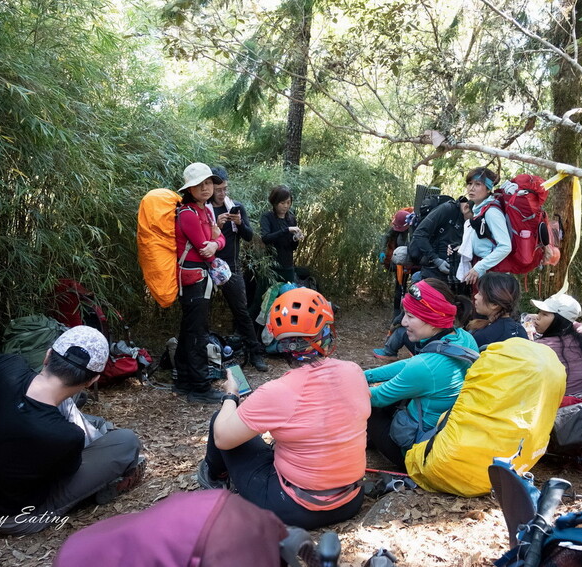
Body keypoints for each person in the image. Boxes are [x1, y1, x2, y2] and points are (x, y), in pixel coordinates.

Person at [0, 326, 143, 535]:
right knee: (126, 441)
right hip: (13, 519)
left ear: (47, 356)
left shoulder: (5, 367)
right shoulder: (66, 435)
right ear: (92, 380)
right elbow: (61, 478)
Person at [196, 288, 370, 529]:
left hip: (294, 508)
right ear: (327, 333)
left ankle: (215, 477)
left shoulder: (279, 390)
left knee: (220, 420)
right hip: (351, 500)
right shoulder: (354, 371)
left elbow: (223, 438)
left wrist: (231, 395)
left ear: (281, 343)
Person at [364, 279, 478, 470]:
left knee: (371, 408)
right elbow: (408, 364)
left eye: (410, 316)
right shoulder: (464, 338)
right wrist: (367, 375)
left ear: (434, 321)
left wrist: (347, 383)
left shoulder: (425, 366)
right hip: (445, 439)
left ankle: (372, 441)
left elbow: (376, 398)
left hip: (418, 455)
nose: (403, 322)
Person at [174, 162, 227, 403]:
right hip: (193, 277)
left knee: (190, 329)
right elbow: (205, 249)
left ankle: (184, 380)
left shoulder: (205, 210)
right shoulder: (187, 214)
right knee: (197, 332)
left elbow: (218, 241)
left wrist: (216, 242)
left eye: (208, 183)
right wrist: (214, 241)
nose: (205, 188)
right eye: (199, 184)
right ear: (189, 189)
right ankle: (200, 388)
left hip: (200, 276)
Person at [209, 166, 268, 372]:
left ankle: (255, 353)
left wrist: (240, 223)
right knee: (203, 313)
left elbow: (249, 236)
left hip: (231, 268)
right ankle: (207, 354)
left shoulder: (235, 206)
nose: (222, 193)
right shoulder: (204, 209)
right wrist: (216, 224)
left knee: (241, 312)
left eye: (225, 188)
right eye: (218, 190)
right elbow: (202, 239)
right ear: (209, 187)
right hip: (208, 266)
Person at [530, 293, 582, 396]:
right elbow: (576, 323)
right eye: (539, 312)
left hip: (562, 408)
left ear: (559, 321)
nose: (537, 317)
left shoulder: (544, 347)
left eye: (544, 314)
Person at [464, 167, 511, 286]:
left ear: (488, 189)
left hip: (494, 275)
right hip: (486, 272)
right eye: (469, 183)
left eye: (478, 184)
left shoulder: (491, 212)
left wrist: (479, 267)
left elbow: (505, 246)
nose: (471, 188)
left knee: (491, 305)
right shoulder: (480, 210)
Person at [408, 194, 467, 284]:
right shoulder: (448, 209)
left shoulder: (467, 220)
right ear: (467, 208)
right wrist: (436, 260)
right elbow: (419, 234)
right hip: (432, 272)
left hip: (451, 276)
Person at [467, 272, 527, 350]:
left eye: (480, 294)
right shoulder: (520, 330)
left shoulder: (482, 336)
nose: (475, 296)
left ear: (494, 304)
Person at [260, 185, 302, 284]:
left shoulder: (291, 219)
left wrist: (296, 238)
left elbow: (293, 247)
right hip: (271, 267)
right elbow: (266, 238)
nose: (286, 206)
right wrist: (287, 230)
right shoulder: (267, 217)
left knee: (288, 296)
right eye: (282, 203)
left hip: (288, 266)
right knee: (269, 297)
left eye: (288, 202)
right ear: (275, 203)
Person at [379, 208, 414, 318]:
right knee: (399, 285)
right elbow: (386, 236)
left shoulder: (414, 229)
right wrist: (382, 251)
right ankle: (396, 311)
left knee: (414, 284)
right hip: (399, 261)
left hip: (413, 261)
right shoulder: (397, 227)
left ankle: (412, 310)